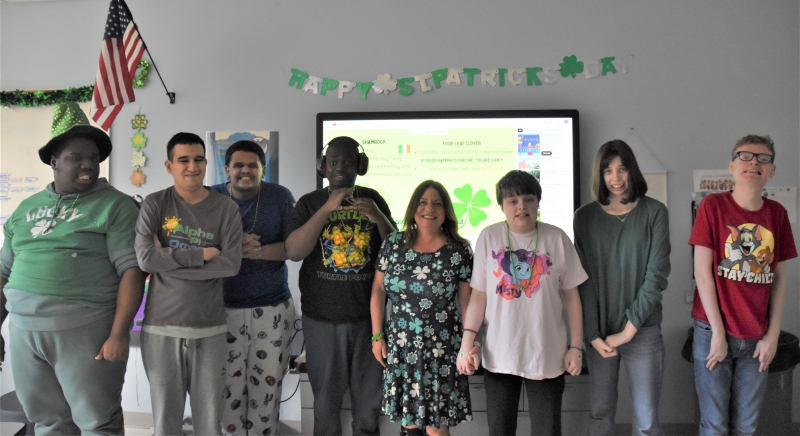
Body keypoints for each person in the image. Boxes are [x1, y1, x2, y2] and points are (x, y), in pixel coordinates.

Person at [0, 102, 145, 434]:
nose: (88, 165)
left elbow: (131, 271)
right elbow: (3, 271)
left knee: (97, 421)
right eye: (76, 157)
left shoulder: (116, 205)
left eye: (93, 158)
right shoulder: (26, 208)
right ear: (54, 161)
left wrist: (119, 333)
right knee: (46, 420)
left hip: (85, 327)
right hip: (23, 329)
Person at [456, 170, 586, 436]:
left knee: (547, 430)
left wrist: (576, 346)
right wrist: (467, 343)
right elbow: (478, 295)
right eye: (512, 201)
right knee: (501, 430)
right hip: (500, 353)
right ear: (502, 205)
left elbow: (572, 296)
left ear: (538, 202)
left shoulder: (557, 237)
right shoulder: (488, 237)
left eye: (528, 199)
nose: (521, 207)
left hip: (547, 353)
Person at [285, 136, 396, 436]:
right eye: (333, 162)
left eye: (348, 162)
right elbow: (294, 251)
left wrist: (379, 217)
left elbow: (397, 253)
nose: (340, 168)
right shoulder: (310, 202)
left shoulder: (374, 198)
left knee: (370, 403)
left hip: (367, 320)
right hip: (321, 319)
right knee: (325, 404)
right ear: (323, 166)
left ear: (360, 165)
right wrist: (326, 209)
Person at [135, 132, 243, 435]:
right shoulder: (155, 204)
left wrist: (166, 258)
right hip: (160, 329)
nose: (192, 167)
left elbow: (230, 265)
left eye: (198, 160)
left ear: (207, 164)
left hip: (210, 329)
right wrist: (203, 255)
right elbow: (145, 260)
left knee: (209, 424)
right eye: (183, 160)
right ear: (170, 166)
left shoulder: (226, 209)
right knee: (165, 424)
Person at [689, 134, 796, 435]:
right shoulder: (713, 206)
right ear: (732, 166)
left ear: (772, 170)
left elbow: (779, 279)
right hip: (712, 331)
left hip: (756, 335)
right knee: (714, 424)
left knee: (747, 426)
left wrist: (773, 335)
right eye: (745, 156)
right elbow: (702, 273)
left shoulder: (778, 215)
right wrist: (719, 333)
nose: (753, 163)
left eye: (763, 158)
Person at [573, 140, 671, 435]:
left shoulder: (655, 212)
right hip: (601, 334)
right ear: (599, 175)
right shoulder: (584, 217)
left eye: (623, 168)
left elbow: (656, 276)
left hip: (642, 331)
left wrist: (629, 329)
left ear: (633, 171)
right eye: (607, 170)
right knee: (600, 413)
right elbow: (584, 281)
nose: (616, 178)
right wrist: (591, 334)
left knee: (647, 418)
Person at [370, 180, 473, 436]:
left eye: (437, 203)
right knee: (409, 423)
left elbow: (467, 302)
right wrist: (377, 336)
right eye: (423, 202)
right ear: (413, 208)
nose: (430, 208)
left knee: (436, 427)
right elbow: (378, 291)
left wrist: (471, 342)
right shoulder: (394, 243)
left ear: (446, 211)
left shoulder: (458, 250)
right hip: (402, 344)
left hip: (442, 348)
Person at [210, 140, 297, 435]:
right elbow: (199, 250)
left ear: (262, 169)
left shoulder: (280, 196)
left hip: (271, 307)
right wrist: (234, 248)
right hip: (222, 309)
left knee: (267, 389)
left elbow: (291, 247)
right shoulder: (211, 198)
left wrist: (257, 252)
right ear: (227, 170)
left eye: (252, 166)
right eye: (238, 165)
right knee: (227, 390)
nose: (245, 171)